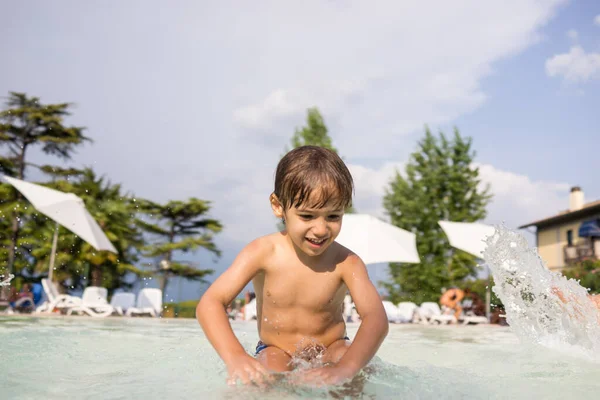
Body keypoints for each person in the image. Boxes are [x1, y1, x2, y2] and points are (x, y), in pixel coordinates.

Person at [196, 145, 388, 387]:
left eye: (333, 216)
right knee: (268, 376)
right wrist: (236, 357)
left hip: (332, 347)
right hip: (277, 349)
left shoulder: (346, 263)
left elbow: (376, 318)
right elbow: (210, 303)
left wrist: (345, 369)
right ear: (278, 206)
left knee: (352, 371)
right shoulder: (263, 253)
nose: (320, 229)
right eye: (307, 216)